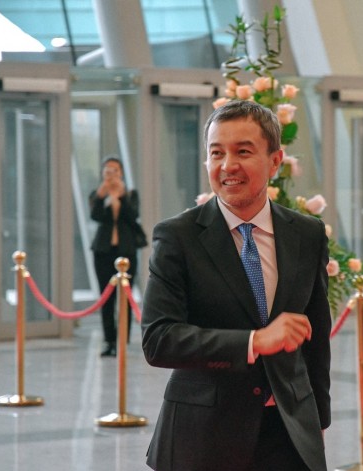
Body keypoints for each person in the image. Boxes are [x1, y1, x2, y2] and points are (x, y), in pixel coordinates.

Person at [141, 100, 331, 471]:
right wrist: (254, 342)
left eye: (243, 152)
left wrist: (317, 422)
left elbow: (316, 338)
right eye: (217, 153)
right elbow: (159, 339)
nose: (228, 165)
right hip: (203, 439)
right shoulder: (178, 237)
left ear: (275, 161)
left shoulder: (307, 234)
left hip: (288, 435)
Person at [90, 156, 140, 357]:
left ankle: (123, 340)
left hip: (126, 251)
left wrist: (121, 196)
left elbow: (132, 216)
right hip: (103, 251)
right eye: (107, 171)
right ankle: (109, 341)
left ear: (121, 173)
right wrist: (101, 196)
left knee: (126, 297)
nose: (111, 174)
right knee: (106, 297)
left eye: (115, 170)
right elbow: (95, 216)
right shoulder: (97, 194)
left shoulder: (131, 194)